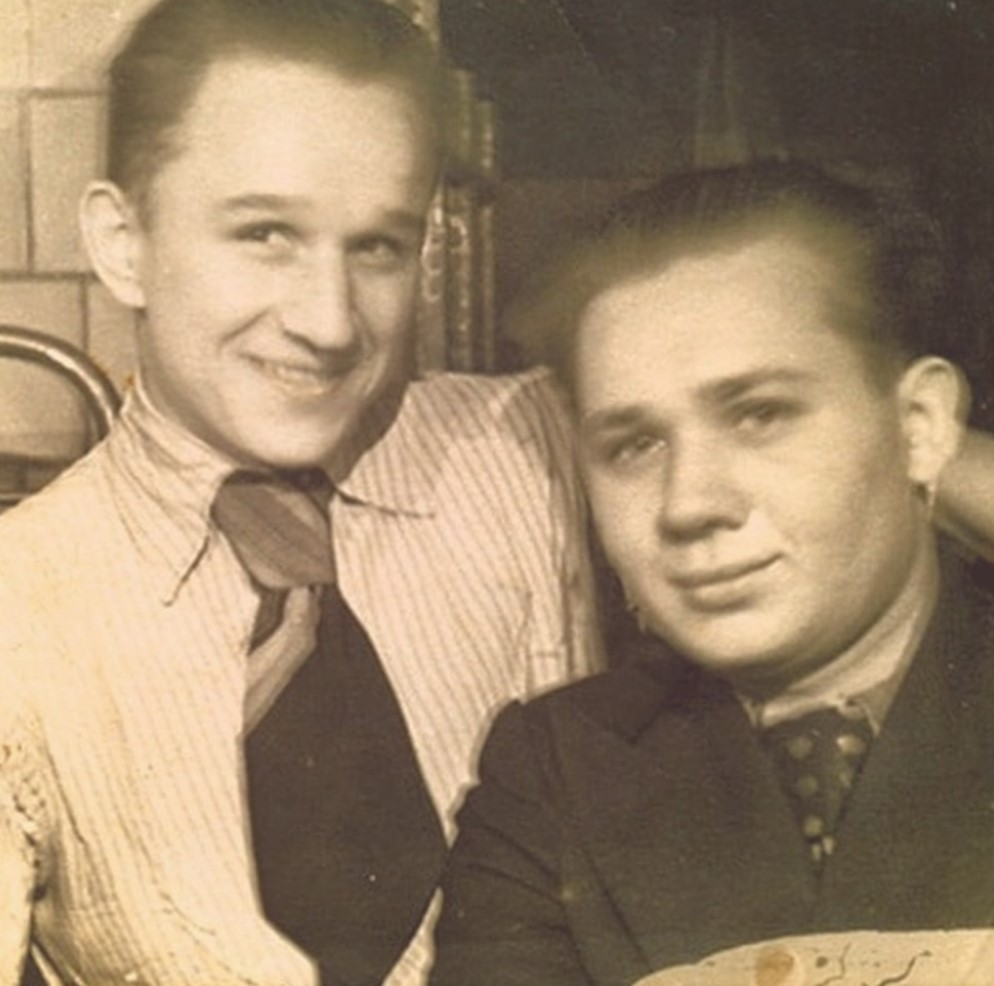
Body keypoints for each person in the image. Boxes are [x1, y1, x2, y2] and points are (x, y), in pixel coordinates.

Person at [0, 1, 600, 983]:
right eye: (266, 233)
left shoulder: (519, 446)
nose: (329, 323)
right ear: (122, 242)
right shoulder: (17, 606)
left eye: (378, 246)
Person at [429, 161, 994, 986]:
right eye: (634, 445)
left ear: (919, 426)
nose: (689, 503)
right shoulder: (555, 772)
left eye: (760, 414)